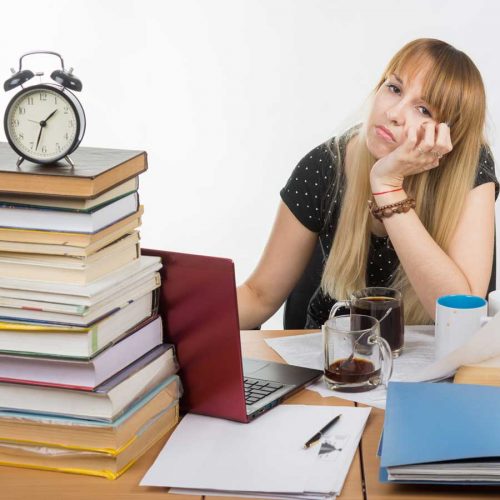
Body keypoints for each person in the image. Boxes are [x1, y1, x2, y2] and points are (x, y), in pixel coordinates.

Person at [237, 38, 499, 329]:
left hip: (425, 356)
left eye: (424, 109)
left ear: (448, 135)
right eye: (394, 88)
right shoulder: (326, 164)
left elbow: (459, 315)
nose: (394, 113)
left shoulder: (470, 167)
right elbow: (259, 296)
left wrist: (388, 187)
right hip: (331, 351)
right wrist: (195, 313)